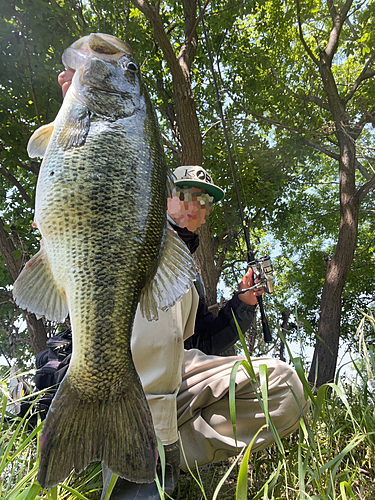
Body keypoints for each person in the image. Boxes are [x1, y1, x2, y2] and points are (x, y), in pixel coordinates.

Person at [56, 72, 307, 500]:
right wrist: (82, 123)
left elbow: (201, 341)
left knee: (284, 390)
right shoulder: (133, 225)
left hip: (176, 376)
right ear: (163, 196)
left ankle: (160, 451)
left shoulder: (191, 274)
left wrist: (242, 305)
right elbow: (91, 195)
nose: (195, 204)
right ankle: (108, 444)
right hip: (111, 365)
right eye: (185, 193)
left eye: (205, 199)